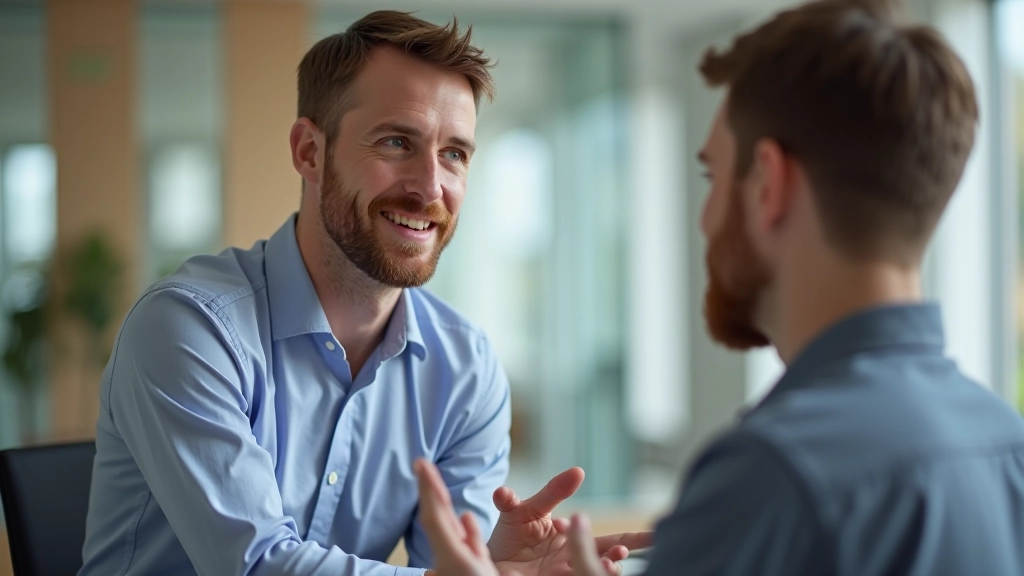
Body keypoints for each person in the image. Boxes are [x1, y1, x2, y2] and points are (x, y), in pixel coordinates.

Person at [413, 0, 1024, 574]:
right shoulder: (1007, 445)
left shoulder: (771, 476)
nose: (703, 220)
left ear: (769, 186)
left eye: (712, 176)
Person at [80, 11, 646, 576]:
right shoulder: (189, 330)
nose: (431, 187)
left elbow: (455, 566)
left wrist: (496, 569)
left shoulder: (465, 368)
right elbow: (254, 567)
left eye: (455, 153)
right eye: (397, 141)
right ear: (309, 152)